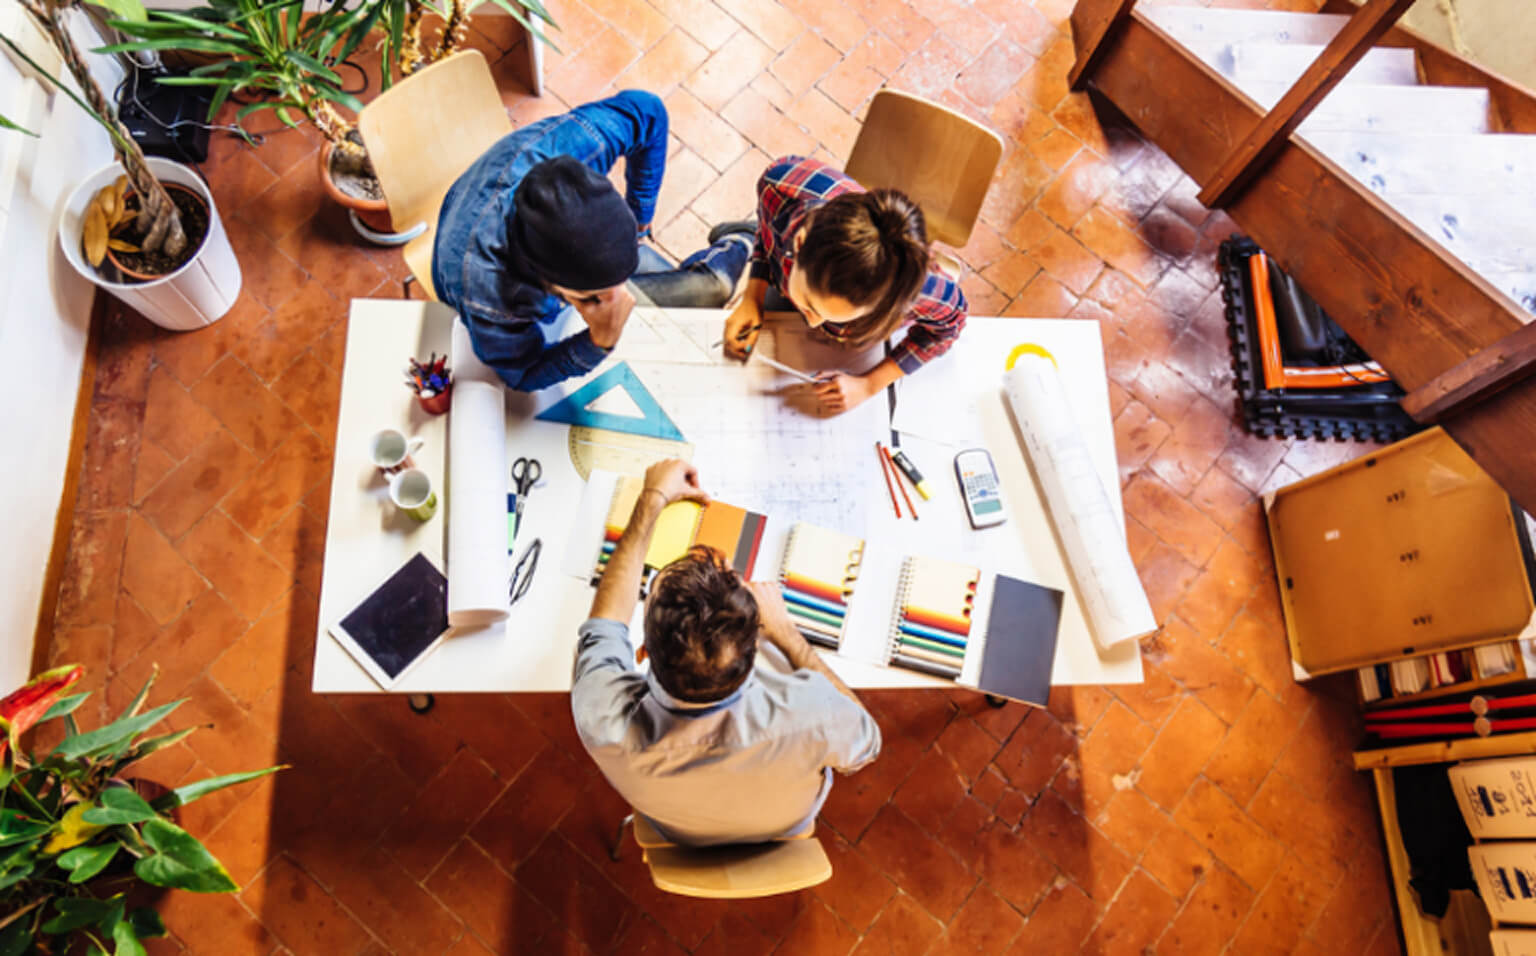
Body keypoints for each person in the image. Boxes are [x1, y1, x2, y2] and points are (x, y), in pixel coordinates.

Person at [571, 458, 882, 845]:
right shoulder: (814, 711)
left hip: (679, 833)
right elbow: (867, 746)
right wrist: (787, 634)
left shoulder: (602, 716)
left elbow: (605, 622)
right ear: (752, 646)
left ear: (642, 652)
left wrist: (653, 497)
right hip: (785, 827)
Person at [433, 90, 755, 391]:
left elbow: (648, 111)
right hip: (481, 277)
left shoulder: (577, 146)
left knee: (709, 292)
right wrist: (600, 341)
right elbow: (524, 374)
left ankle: (739, 239)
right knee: (698, 301)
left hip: (521, 233)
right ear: (551, 285)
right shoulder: (489, 299)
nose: (621, 297)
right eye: (591, 298)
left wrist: (639, 220)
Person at [722, 155, 969, 415]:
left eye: (834, 316)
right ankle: (739, 234)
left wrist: (869, 384)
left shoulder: (921, 291)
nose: (814, 324)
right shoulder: (781, 187)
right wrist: (753, 295)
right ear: (800, 242)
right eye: (809, 304)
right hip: (781, 280)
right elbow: (767, 233)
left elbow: (947, 329)